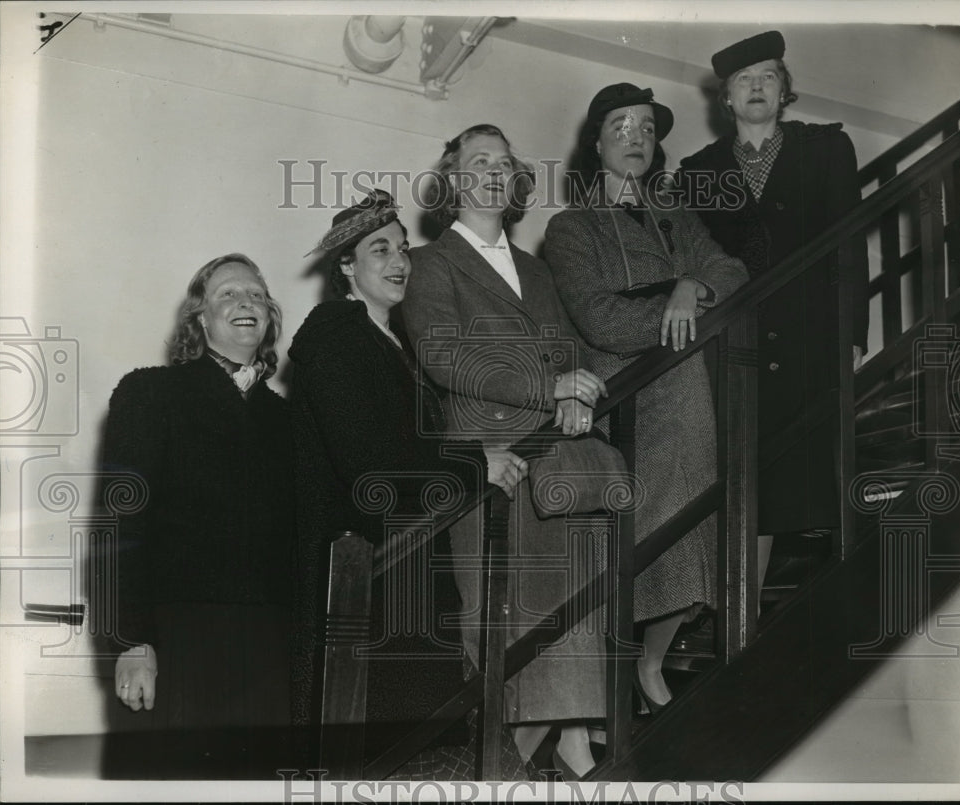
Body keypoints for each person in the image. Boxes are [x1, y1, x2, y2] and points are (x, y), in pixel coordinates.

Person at [289, 190, 529, 779]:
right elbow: (373, 465)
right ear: (345, 266)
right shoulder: (333, 337)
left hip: (402, 566)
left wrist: (479, 453)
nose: (399, 261)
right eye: (379, 250)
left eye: (402, 249)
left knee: (417, 747)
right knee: (378, 756)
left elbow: (408, 446)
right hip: (362, 571)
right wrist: (476, 465)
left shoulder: (389, 340)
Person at [403, 125, 610, 779]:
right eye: (478, 160)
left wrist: (575, 395)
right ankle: (502, 765)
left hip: (552, 451)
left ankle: (574, 738)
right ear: (453, 180)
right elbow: (444, 356)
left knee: (571, 598)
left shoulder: (536, 269)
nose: (493, 170)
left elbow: (568, 348)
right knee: (500, 624)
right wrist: (547, 387)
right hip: (490, 455)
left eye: (504, 161)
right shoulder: (431, 263)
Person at [544, 84, 748, 715]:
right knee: (659, 536)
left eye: (646, 128)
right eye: (620, 126)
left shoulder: (674, 216)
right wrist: (678, 308)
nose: (636, 137)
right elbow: (601, 320)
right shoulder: (570, 227)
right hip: (628, 394)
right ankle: (632, 671)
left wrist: (691, 284)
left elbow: (733, 270)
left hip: (686, 386)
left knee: (696, 529)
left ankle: (650, 661)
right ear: (596, 145)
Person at [679, 31, 870, 600]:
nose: (756, 86)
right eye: (744, 80)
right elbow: (693, 255)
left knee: (801, 480)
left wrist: (853, 333)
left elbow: (850, 246)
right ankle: (737, 614)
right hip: (740, 343)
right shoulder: (697, 170)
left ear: (785, 90)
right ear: (727, 99)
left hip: (810, 336)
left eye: (768, 75)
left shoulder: (827, 149)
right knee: (746, 479)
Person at [100, 254, 294, 778]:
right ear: (200, 319)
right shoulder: (151, 393)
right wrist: (131, 641)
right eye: (229, 294)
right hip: (176, 635)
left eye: (256, 294)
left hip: (267, 644)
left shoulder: (286, 418)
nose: (246, 302)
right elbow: (119, 523)